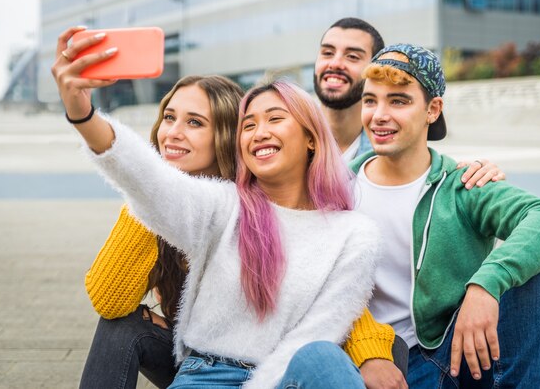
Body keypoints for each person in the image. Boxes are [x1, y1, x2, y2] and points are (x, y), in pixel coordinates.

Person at [52, 26, 384, 389]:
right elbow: (148, 183)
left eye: (274, 119)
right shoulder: (224, 207)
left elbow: (332, 317)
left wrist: (373, 352)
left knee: (321, 356)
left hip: (284, 375)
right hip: (204, 373)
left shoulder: (353, 231)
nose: (172, 133)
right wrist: (83, 115)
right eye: (249, 124)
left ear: (310, 137)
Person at [292, 43, 540, 388]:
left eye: (398, 100)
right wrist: (366, 354)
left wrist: (485, 284)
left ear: (432, 109)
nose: (379, 114)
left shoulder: (462, 184)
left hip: (452, 356)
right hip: (369, 361)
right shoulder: (337, 190)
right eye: (371, 100)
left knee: (538, 270)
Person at [80, 74, 244, 388]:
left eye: (194, 123)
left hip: (245, 368)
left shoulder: (246, 204)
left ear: (225, 135)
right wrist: (145, 197)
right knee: (121, 326)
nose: (172, 133)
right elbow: (107, 299)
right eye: (169, 118)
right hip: (188, 357)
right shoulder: (147, 204)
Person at [314, 18, 501, 193]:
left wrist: (482, 180)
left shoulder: (399, 153)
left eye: (352, 56)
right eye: (327, 53)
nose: (335, 63)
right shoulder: (290, 140)